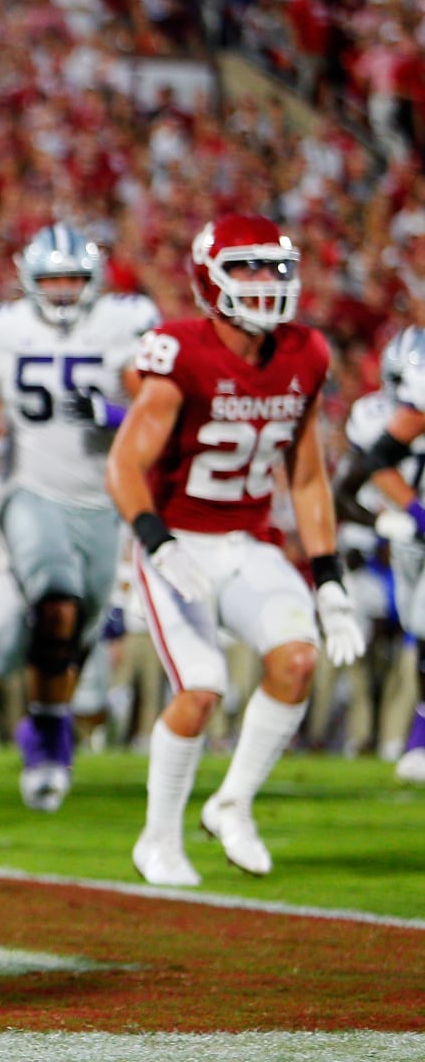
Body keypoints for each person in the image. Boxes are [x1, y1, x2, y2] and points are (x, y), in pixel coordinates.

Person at [107, 213, 363, 886]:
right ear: (208, 278)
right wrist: (156, 543)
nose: (264, 281)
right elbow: (124, 464)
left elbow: (306, 474)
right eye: (246, 267)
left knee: (297, 660)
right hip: (177, 542)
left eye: (275, 267)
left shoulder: (306, 352)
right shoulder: (179, 351)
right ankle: (158, 839)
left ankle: (232, 802)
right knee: (200, 690)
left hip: (249, 540)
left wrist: (329, 576)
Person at [0, 222, 160, 810]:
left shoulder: (119, 326)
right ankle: (50, 746)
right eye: (52, 279)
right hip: (28, 491)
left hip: (102, 503)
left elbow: (159, 409)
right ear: (30, 281)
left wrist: (110, 414)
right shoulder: (6, 330)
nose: (62, 290)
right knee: (56, 604)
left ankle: (42, 725)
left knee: (77, 630)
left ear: (93, 281)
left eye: (73, 279)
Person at [336, 323, 425, 783]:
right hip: (396, 547)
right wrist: (391, 521)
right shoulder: (374, 418)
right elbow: (343, 494)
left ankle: (417, 741)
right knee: (414, 634)